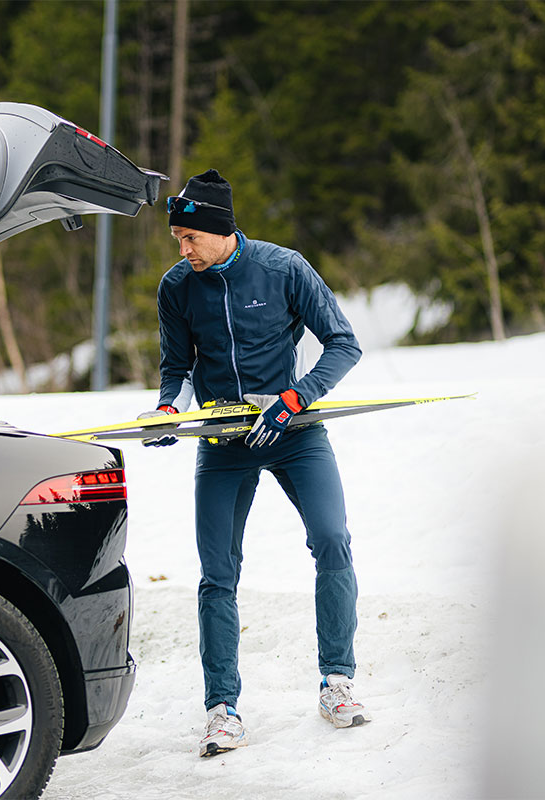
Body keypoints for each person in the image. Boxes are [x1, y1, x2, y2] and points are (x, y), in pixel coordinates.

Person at [139, 169, 366, 758]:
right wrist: (169, 408)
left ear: (220, 231)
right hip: (223, 438)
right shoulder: (176, 288)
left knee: (333, 539)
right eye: (177, 240)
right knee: (217, 573)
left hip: (290, 430)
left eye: (190, 237)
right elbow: (177, 366)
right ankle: (222, 710)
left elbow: (343, 343)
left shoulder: (284, 268)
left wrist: (297, 398)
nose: (182, 249)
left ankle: (337, 682)